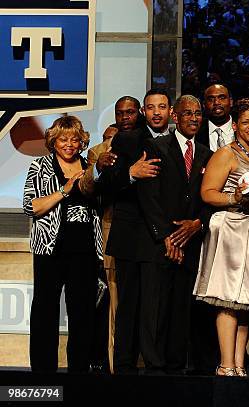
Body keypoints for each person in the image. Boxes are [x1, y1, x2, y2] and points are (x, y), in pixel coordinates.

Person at [136, 95, 213, 374]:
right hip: (161, 243)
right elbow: (148, 196)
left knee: (183, 308)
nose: (194, 118)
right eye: (187, 113)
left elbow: (208, 199)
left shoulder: (207, 153)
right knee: (156, 309)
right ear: (175, 117)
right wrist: (167, 236)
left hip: (192, 242)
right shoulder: (155, 146)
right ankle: (154, 369)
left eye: (198, 113)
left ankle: (177, 366)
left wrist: (197, 224)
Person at [98, 90, 174, 374]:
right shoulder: (126, 139)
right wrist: (131, 172)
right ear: (144, 110)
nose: (156, 112)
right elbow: (107, 184)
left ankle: (155, 368)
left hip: (162, 237)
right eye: (151, 107)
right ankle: (124, 368)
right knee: (128, 305)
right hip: (131, 236)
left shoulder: (180, 143)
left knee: (155, 307)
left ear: (170, 112)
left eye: (162, 107)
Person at [194, 98, 249, 377]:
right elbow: (207, 192)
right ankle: (225, 363)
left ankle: (238, 364)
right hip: (230, 228)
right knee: (228, 299)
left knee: (245, 302)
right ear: (235, 125)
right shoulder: (226, 153)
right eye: (246, 122)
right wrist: (233, 197)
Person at [23, 116, 102, 373]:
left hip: (86, 250)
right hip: (50, 249)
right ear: (53, 141)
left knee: (83, 314)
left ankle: (79, 371)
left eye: (75, 139)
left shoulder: (90, 167)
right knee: (45, 311)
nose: (69, 144)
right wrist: (65, 190)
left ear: (82, 142)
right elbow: (31, 206)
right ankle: (42, 372)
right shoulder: (40, 166)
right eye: (63, 139)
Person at [80, 96, 143, 373]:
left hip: (146, 232)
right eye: (121, 113)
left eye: (131, 112)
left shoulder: (149, 144)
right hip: (112, 230)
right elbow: (87, 187)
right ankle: (115, 365)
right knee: (115, 301)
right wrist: (99, 167)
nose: (126, 117)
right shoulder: (99, 152)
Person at [196, 84, 233, 149]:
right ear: (204, 105)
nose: (216, 102)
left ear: (231, 102)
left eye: (222, 98)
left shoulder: (243, 129)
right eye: (210, 99)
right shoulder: (195, 132)